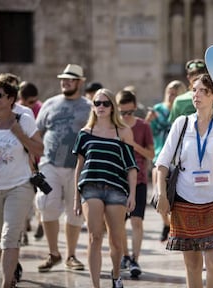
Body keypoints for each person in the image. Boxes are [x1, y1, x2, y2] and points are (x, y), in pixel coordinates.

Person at [156, 74, 213, 288]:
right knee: (192, 265)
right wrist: (162, 195)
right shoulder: (182, 123)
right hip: (185, 200)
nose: (197, 95)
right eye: (194, 90)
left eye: (203, 90)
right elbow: (162, 162)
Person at [0, 79, 44, 287]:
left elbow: (39, 150)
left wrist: (20, 134)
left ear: (11, 99)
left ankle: (6, 284)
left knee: (9, 237)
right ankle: (12, 275)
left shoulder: (24, 120)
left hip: (19, 185)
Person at [73, 88, 138, 288]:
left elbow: (131, 167)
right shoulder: (85, 133)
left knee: (116, 241)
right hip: (90, 187)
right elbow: (79, 167)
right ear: (92, 107)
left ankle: (116, 275)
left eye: (105, 103)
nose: (100, 106)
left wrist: (132, 195)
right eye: (97, 103)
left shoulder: (123, 131)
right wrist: (76, 197)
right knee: (94, 236)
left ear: (112, 107)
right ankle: (95, 285)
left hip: (116, 189)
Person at [35, 64, 91, 272]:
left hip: (77, 166)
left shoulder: (89, 107)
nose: (65, 82)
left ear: (79, 82)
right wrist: (33, 163)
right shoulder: (50, 104)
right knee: (46, 204)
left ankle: (71, 255)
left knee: (74, 211)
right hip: (49, 163)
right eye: (63, 78)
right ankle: (53, 253)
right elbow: (37, 133)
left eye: (70, 79)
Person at [116, 90, 154, 278]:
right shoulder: (112, 127)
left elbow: (151, 154)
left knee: (136, 221)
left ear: (135, 108)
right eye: (122, 113)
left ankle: (135, 258)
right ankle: (125, 256)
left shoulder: (143, 126)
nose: (125, 117)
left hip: (139, 180)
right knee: (120, 223)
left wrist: (132, 144)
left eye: (129, 112)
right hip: (118, 180)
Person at [145, 80, 187, 242]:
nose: (171, 95)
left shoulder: (181, 111)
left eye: (175, 92)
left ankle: (176, 227)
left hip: (178, 158)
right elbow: (151, 132)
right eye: (169, 91)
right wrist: (148, 121)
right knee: (159, 192)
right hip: (160, 155)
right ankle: (166, 224)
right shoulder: (158, 109)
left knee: (178, 195)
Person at [18, 81, 44, 243]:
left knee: (40, 194)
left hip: (39, 160)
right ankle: (23, 230)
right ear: (22, 99)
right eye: (30, 102)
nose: (32, 105)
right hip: (21, 161)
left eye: (35, 101)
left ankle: (41, 220)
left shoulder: (40, 109)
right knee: (22, 196)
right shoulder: (16, 111)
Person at [168, 59, 208, 123]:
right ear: (188, 77)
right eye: (194, 76)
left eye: (201, 76)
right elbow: (174, 126)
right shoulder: (179, 101)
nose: (198, 80)